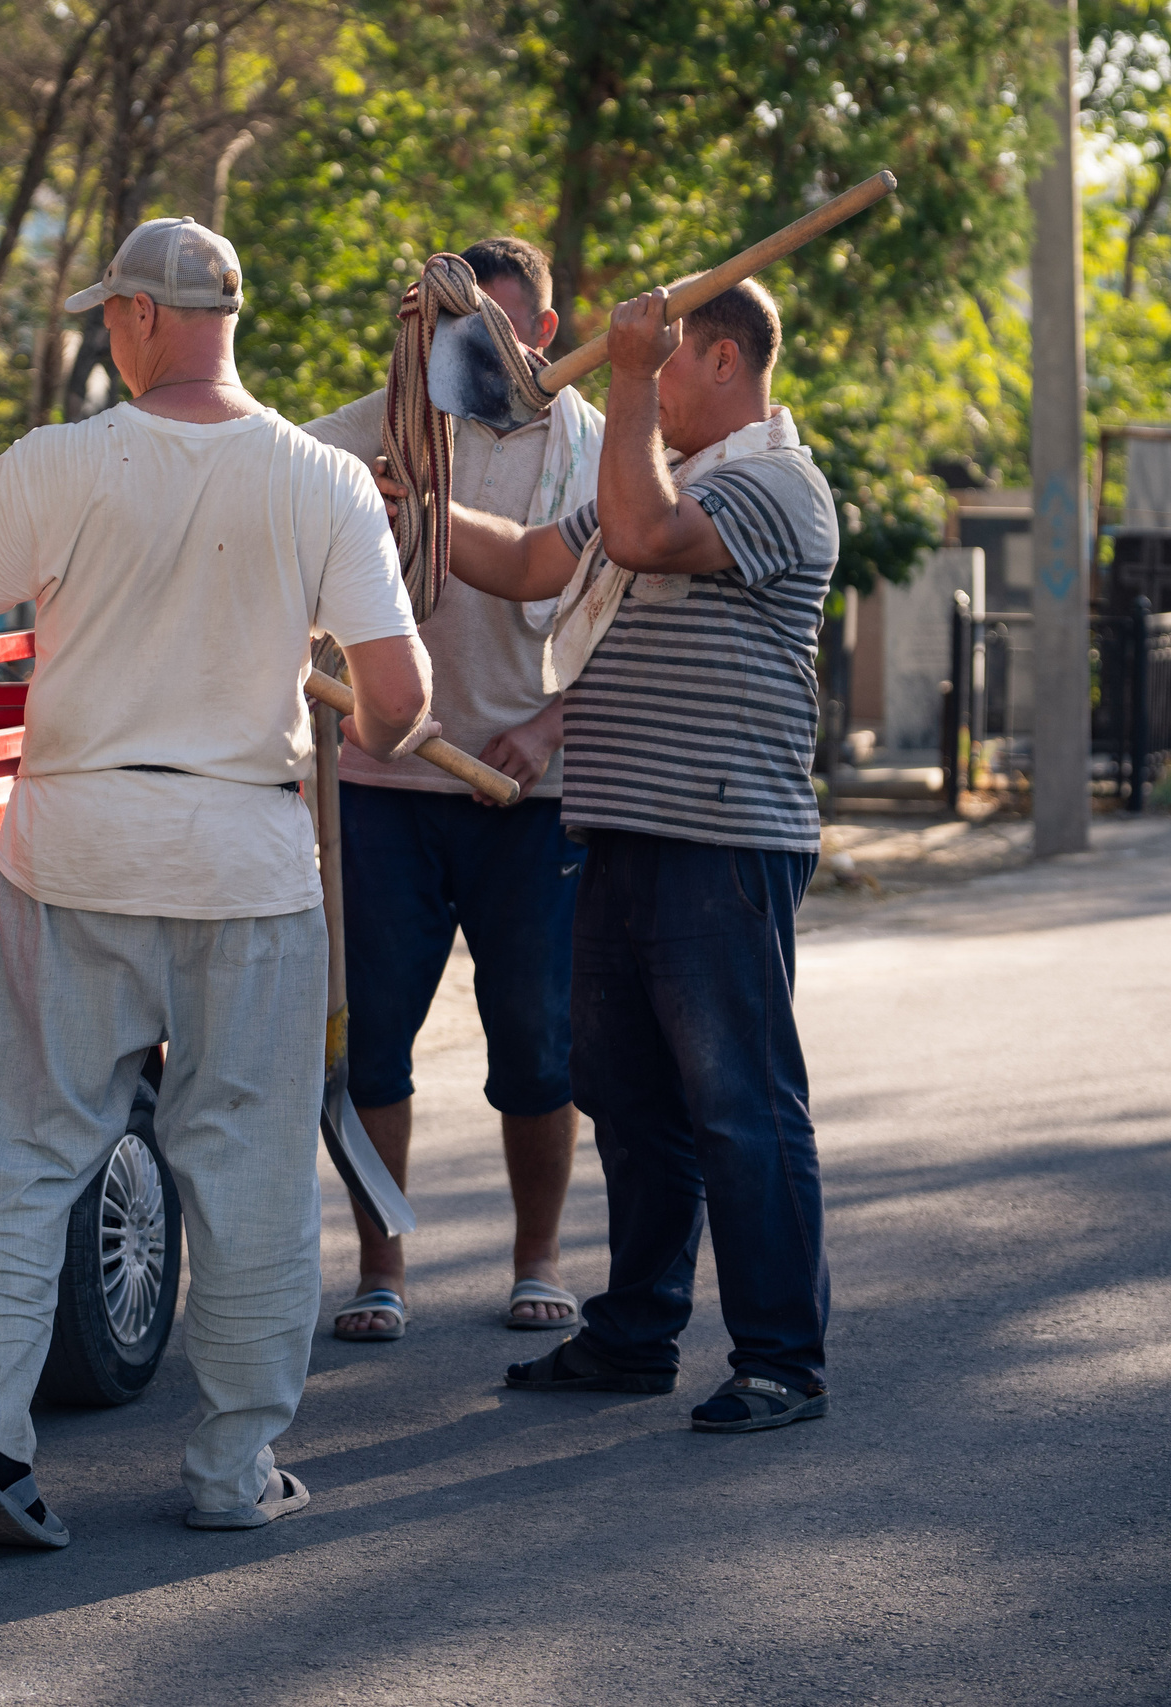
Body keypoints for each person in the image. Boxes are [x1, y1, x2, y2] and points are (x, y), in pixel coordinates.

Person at [0, 216, 435, 1547]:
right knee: (248, 1169)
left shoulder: (55, 462)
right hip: (247, 860)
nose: (105, 333)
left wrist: (3, 539)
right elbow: (396, 703)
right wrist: (351, 701)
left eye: (109, 314)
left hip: (74, 846)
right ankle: (232, 1468)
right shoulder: (325, 482)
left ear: (142, 315)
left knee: (19, 1148)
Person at [404, 274, 836, 1433]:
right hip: (620, 829)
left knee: (739, 1105)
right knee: (631, 1103)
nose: (634, 369)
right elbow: (528, 562)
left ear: (724, 361)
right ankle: (635, 1336)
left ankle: (781, 1362)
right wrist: (415, 508)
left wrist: (627, 379)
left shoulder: (774, 485)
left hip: (718, 838)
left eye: (663, 355)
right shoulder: (658, 479)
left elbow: (643, 537)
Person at [302, 236, 605, 1342]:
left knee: (537, 1041)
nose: (464, 359)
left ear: (543, 335)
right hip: (384, 779)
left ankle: (538, 1259)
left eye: (494, 336)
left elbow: (621, 613)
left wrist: (549, 725)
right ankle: (380, 1268)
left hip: (531, 794)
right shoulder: (377, 429)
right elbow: (260, 478)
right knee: (371, 1039)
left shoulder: (599, 452)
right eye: (447, 335)